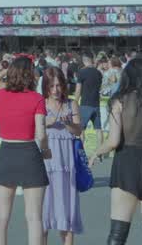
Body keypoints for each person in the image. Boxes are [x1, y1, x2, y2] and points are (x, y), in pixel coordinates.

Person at [90, 57, 142, 245]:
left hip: (127, 162)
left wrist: (96, 152)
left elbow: (113, 141)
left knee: (118, 233)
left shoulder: (119, 102)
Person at [0, 57, 50, 245]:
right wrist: (45, 150)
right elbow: (41, 134)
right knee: (34, 217)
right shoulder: (37, 99)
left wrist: (3, 131)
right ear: (31, 75)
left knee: (1, 216)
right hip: (29, 152)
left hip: (7, 152)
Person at [41, 67, 83, 245]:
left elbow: (78, 130)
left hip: (66, 165)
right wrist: (45, 123)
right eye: (52, 86)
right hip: (45, 163)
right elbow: (31, 129)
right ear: (46, 87)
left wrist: (68, 125)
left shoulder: (71, 104)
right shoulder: (40, 103)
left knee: (66, 214)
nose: (56, 90)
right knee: (42, 215)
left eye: (59, 85)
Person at [73, 53, 102, 133]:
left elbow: (78, 90)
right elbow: (99, 88)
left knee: (81, 129)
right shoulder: (99, 73)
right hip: (96, 104)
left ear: (83, 61)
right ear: (92, 60)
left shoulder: (82, 72)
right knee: (98, 129)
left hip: (85, 103)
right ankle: (100, 145)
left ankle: (81, 145)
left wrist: (75, 102)